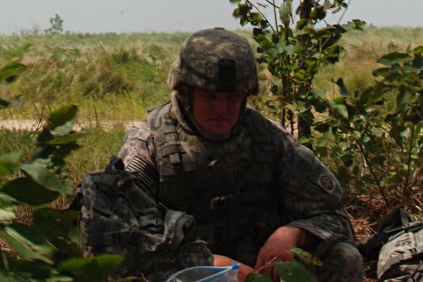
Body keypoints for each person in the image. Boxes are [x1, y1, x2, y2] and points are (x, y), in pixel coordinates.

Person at [118, 28, 364, 282]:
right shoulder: (148, 145)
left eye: (232, 97)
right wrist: (204, 263)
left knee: (343, 258)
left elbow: (335, 218)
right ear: (184, 93)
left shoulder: (268, 139)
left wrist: (295, 233)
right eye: (210, 96)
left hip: (258, 271)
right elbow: (121, 242)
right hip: (187, 273)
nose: (222, 109)